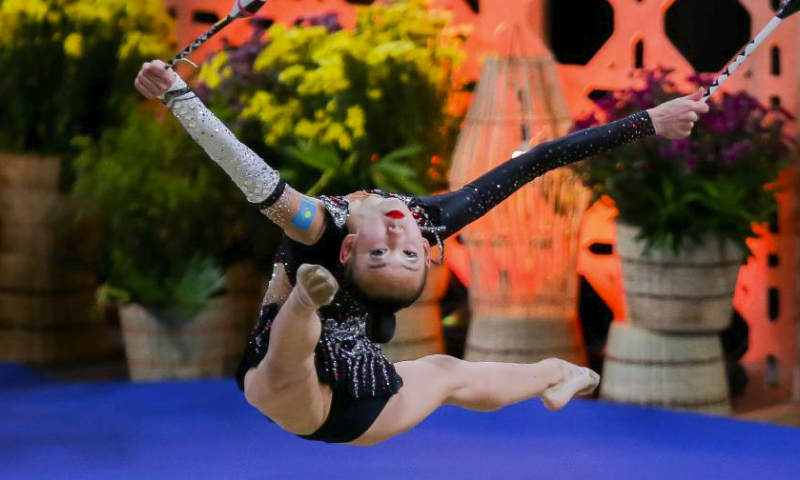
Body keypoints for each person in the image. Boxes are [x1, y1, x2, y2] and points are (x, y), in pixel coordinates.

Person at [135, 59, 708, 446]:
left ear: (352, 249)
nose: (401, 243)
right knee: (446, 371)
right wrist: (649, 121)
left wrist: (179, 96)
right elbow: (536, 161)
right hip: (362, 390)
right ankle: (555, 372)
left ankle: (305, 305)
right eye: (409, 256)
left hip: (308, 392)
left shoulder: (323, 228)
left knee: (278, 380)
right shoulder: (430, 222)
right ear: (427, 249)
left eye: (383, 256)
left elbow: (248, 170)